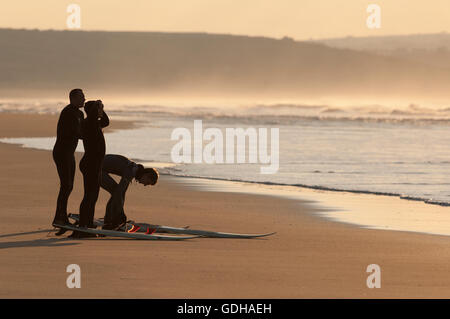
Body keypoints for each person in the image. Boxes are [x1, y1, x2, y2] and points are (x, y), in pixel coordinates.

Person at [71, 100, 109, 238]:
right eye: (99, 109)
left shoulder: (93, 122)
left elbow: (106, 122)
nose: (101, 112)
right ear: (94, 111)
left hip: (94, 164)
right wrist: (98, 108)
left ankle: (87, 224)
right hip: (90, 164)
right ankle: (83, 226)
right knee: (90, 196)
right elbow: (104, 121)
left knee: (93, 196)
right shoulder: (90, 123)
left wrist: (100, 108)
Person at [52, 88, 85, 234]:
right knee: (66, 185)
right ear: (72, 99)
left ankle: (60, 218)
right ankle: (60, 218)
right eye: (81, 97)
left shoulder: (79, 113)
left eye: (84, 97)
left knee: (68, 186)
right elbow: (76, 133)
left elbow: (83, 130)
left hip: (69, 153)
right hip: (61, 152)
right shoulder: (68, 113)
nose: (84, 99)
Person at [100, 154, 159, 230]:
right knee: (116, 192)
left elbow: (122, 193)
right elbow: (118, 193)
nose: (144, 185)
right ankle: (109, 221)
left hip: (98, 165)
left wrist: (121, 213)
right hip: (94, 167)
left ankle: (110, 220)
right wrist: (121, 213)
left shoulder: (134, 169)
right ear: (147, 175)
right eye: (147, 182)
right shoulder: (131, 171)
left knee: (117, 193)